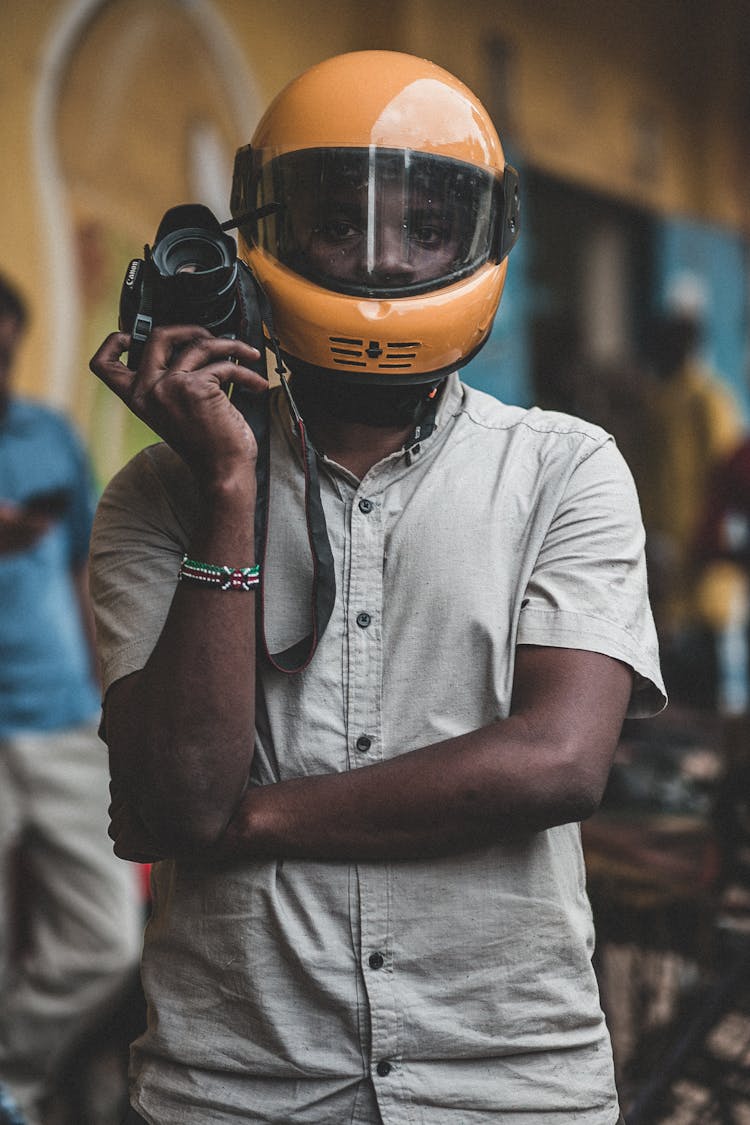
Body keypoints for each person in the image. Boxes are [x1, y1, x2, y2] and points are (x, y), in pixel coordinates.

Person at [88, 51, 666, 1125]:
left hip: (508, 1084)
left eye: (426, 227)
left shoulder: (563, 468)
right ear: (264, 231)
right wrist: (229, 485)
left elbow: (556, 762)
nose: (385, 258)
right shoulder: (157, 495)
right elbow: (173, 796)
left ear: (482, 234)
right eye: (340, 223)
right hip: (236, 1086)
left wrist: (246, 823)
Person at [0, 274, 142, 1124]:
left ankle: (8, 1074)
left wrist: (109, 690)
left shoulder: (49, 436)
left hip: (60, 715)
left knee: (107, 938)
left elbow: (85, 567)